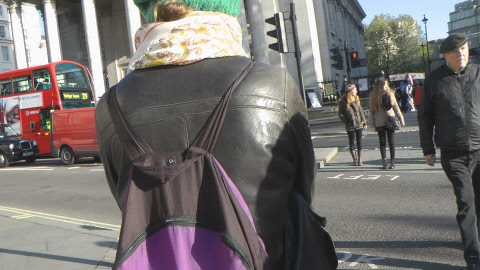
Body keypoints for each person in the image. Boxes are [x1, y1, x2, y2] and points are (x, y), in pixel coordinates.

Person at [95, 0, 332, 268]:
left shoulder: (109, 105)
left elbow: (124, 199)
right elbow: (303, 190)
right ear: (227, 9)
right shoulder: (273, 85)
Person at [418, 33, 480, 270]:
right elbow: (425, 116)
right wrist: (427, 148)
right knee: (466, 204)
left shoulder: (477, 73)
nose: (461, 53)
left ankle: (474, 240)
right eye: (455, 51)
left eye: (464, 48)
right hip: (453, 153)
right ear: (445, 55)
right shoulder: (434, 80)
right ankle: (474, 259)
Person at [369, 77, 405, 169]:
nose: (384, 86)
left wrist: (401, 119)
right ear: (378, 86)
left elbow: (396, 107)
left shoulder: (390, 94)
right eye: (382, 85)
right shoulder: (374, 96)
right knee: (382, 142)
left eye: (385, 84)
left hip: (390, 119)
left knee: (391, 142)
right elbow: (372, 111)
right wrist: (373, 125)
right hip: (379, 121)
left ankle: (392, 161)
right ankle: (384, 161)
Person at [338, 84, 367, 166]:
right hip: (350, 125)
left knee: (359, 141)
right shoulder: (343, 101)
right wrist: (347, 121)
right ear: (350, 91)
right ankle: (355, 159)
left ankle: (360, 160)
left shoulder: (356, 99)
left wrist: (364, 122)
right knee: (351, 142)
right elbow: (340, 114)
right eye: (355, 89)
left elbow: (361, 111)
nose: (356, 91)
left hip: (358, 123)